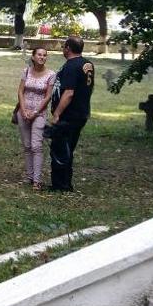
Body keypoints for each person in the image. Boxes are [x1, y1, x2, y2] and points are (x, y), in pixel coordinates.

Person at [48, 36, 95, 192]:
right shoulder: (87, 64)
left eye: (64, 46)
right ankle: (66, 183)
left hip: (69, 115)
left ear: (68, 48)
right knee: (68, 149)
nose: (63, 49)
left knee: (60, 149)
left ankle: (60, 186)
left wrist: (57, 114)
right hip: (81, 112)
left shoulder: (71, 66)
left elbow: (68, 93)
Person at [16, 47, 57, 191]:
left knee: (36, 146)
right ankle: (29, 176)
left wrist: (35, 112)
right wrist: (23, 109)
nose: (42, 57)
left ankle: (37, 180)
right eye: (39, 55)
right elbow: (21, 91)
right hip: (24, 112)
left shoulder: (51, 74)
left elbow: (48, 96)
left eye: (44, 55)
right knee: (27, 146)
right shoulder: (26, 71)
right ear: (33, 57)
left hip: (39, 114)